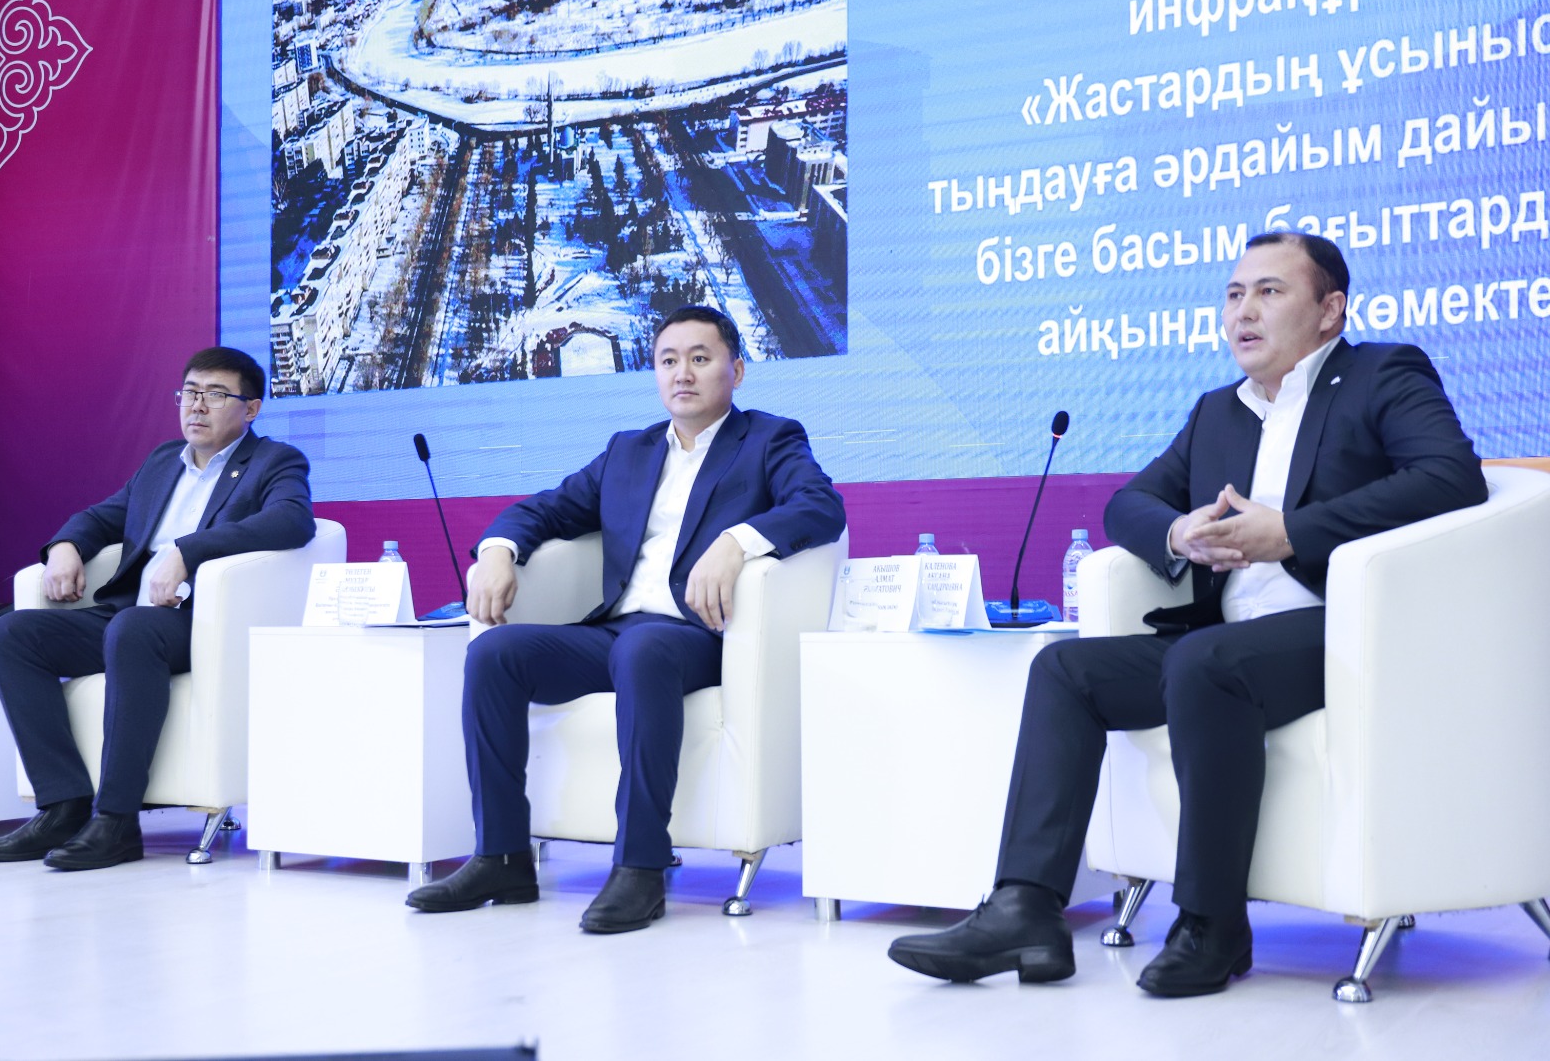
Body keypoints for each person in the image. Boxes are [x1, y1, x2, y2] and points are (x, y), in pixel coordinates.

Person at [888, 233, 1487, 995]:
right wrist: (1178, 533)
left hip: (1342, 634)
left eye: (1269, 292)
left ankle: (1212, 924)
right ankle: (1025, 909)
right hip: (1230, 645)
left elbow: (1450, 478)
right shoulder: (1217, 413)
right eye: (1234, 295)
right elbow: (1128, 503)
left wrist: (1291, 532)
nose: (1244, 311)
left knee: (1205, 663)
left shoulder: (1381, 375)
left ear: (1330, 310)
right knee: (1066, 669)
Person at [406, 304, 845, 932]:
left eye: (700, 358)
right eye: (669, 360)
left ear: (737, 370)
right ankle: (501, 857)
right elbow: (545, 509)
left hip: (696, 635)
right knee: (494, 654)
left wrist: (737, 542)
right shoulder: (628, 451)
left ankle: (640, 867)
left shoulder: (769, 440)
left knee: (643, 651)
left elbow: (820, 506)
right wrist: (499, 550)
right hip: (615, 630)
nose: (682, 373)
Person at [0, 347, 315, 870]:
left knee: (132, 629)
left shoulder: (274, 461)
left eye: (216, 395)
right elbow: (102, 517)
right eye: (190, 392)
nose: (197, 406)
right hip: (126, 617)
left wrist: (187, 551)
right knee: (13, 635)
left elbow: (292, 521)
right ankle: (62, 806)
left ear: (250, 409)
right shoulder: (162, 462)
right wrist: (64, 546)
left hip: (195, 623)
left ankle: (116, 821)